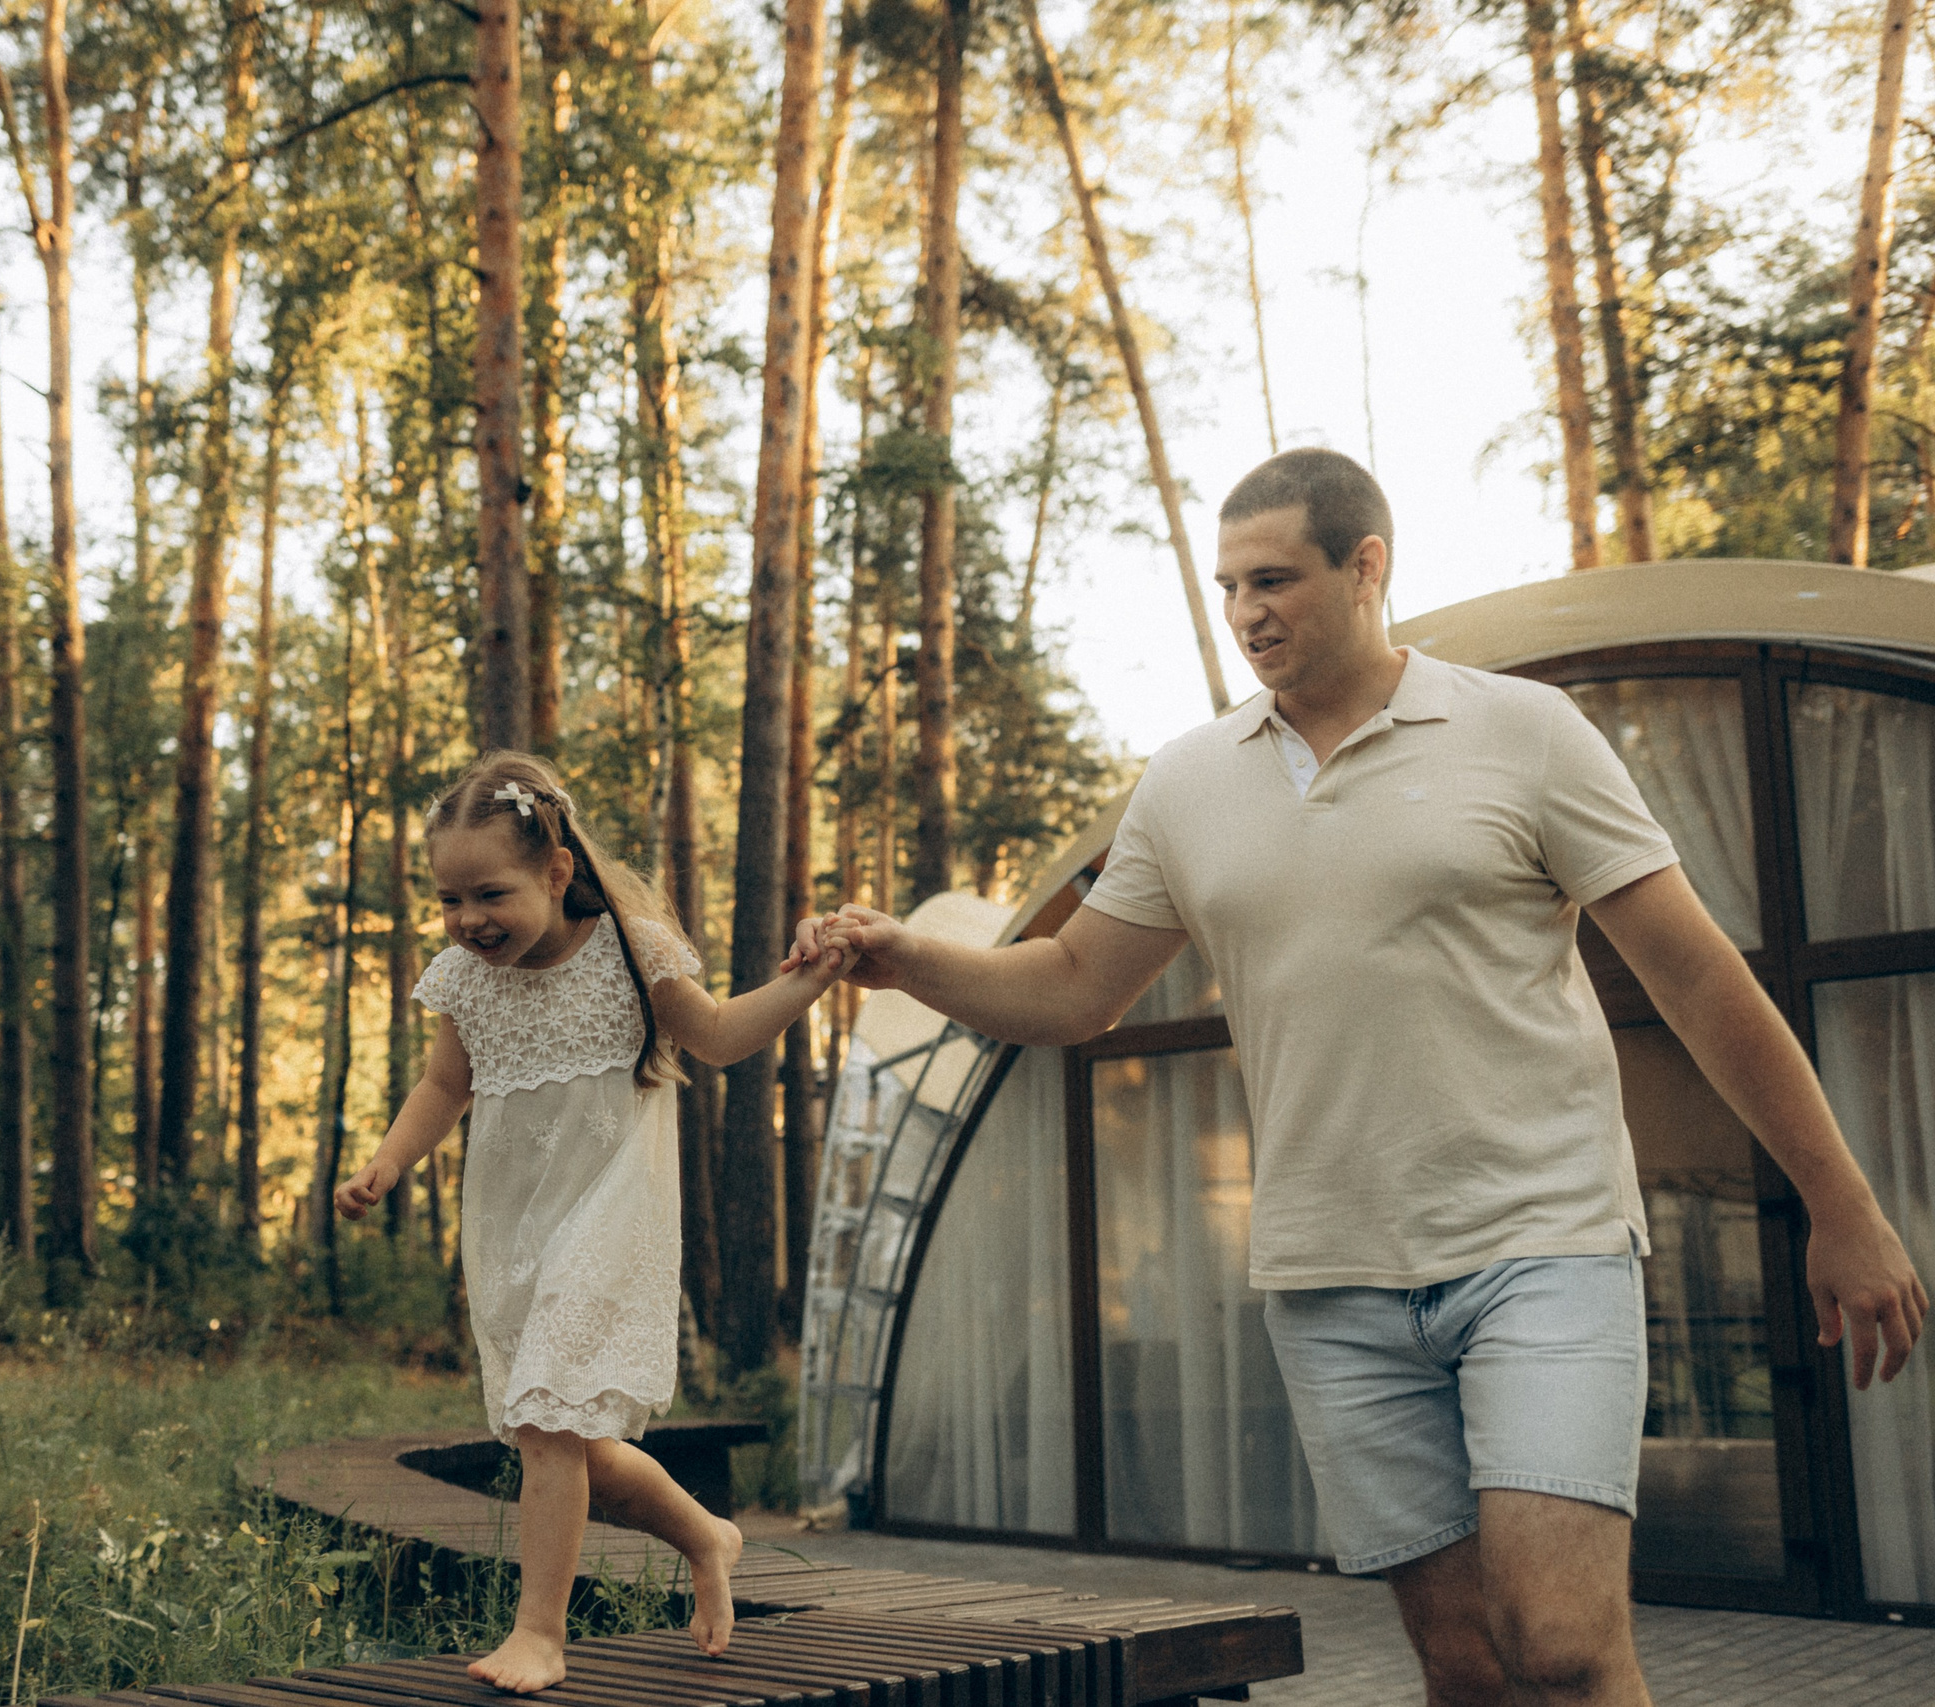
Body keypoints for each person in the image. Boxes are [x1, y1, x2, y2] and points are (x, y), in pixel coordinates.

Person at [795, 447, 1926, 1707]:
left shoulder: (1523, 733)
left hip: (1538, 1246)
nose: (1246, 613)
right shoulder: (1187, 781)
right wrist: (913, 961)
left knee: (1557, 1639)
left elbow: (1698, 981)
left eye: (1273, 578)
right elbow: (1072, 985)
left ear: (1366, 565)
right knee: (1459, 1661)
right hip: (1329, 1278)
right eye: (1229, 587)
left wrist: (1843, 1204)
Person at [335, 750, 848, 1695]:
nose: (467, 919)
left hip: (612, 1218)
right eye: (448, 899)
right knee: (568, 1448)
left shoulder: (630, 949)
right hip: (514, 1231)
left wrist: (810, 983)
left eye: (488, 892)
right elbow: (446, 1083)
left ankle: (540, 1632)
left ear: (557, 869)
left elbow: (725, 1035)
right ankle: (707, 1533)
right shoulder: (465, 977)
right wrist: (391, 1159)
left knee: (546, 1423)